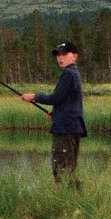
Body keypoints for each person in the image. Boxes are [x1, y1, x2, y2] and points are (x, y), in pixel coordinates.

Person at [22, 41, 85, 182]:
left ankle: (67, 198)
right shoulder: (74, 73)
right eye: (58, 55)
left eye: (64, 54)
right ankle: (74, 198)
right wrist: (56, 114)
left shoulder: (68, 73)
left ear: (74, 56)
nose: (60, 58)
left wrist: (34, 97)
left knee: (61, 169)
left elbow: (56, 98)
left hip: (65, 129)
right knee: (69, 168)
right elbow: (69, 101)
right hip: (71, 126)